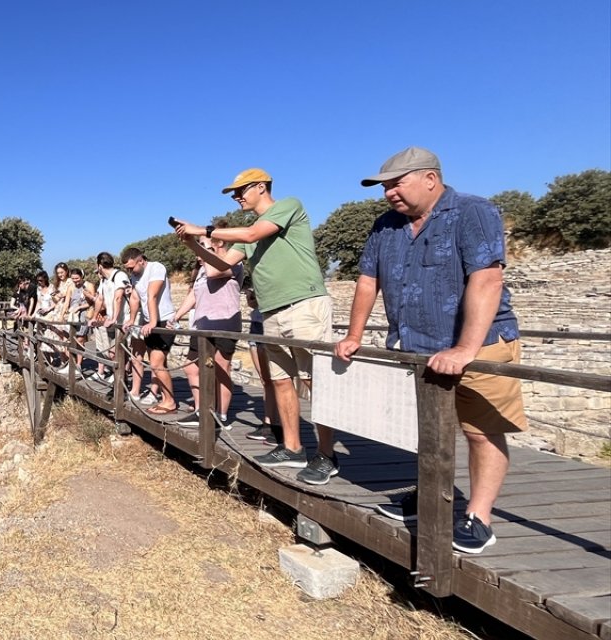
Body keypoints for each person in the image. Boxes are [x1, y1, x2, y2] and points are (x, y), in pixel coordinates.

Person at [336, 147, 527, 554]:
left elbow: (487, 279)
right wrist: (354, 335)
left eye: (395, 183)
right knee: (425, 432)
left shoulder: (472, 211)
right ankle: (429, 496)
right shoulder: (385, 226)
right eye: (384, 186)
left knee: (481, 432)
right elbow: (368, 281)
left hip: (481, 347)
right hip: (417, 350)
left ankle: (478, 517)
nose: (388, 193)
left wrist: (464, 348)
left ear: (430, 178)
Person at [173, 168, 336, 484]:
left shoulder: (288, 206)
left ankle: (327, 454)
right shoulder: (247, 231)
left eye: (240, 191)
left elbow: (251, 235)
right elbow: (221, 265)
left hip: (304, 304)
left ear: (261, 187)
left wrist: (204, 229)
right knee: (281, 380)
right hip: (271, 310)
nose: (236, 197)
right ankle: (292, 447)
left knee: (315, 380)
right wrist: (192, 243)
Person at [171, 224, 243, 427]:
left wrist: (200, 247)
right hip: (202, 324)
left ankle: (221, 415)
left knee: (221, 369)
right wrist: (177, 315)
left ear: (219, 243)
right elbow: (195, 293)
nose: (198, 253)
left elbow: (214, 273)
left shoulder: (231, 262)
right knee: (192, 368)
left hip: (225, 322)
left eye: (203, 245)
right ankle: (200, 409)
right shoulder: (203, 267)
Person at [120, 247, 178, 415]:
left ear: (141, 260)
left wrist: (153, 321)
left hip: (163, 320)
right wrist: (131, 319)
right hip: (149, 322)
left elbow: (152, 295)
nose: (130, 271)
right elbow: (136, 298)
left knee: (156, 363)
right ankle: (164, 397)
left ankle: (170, 402)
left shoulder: (156, 268)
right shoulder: (134, 276)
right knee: (159, 363)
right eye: (127, 269)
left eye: (132, 267)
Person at [243, 288, 281, 445]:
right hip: (257, 325)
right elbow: (254, 305)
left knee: (278, 379)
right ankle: (269, 423)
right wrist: (252, 299)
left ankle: (279, 427)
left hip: (271, 325)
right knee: (265, 381)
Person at [90, 252, 132, 383]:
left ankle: (121, 379)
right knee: (113, 352)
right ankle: (119, 376)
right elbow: (100, 299)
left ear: (100, 266)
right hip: (111, 321)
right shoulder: (104, 280)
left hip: (122, 320)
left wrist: (114, 317)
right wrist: (94, 316)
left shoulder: (119, 276)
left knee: (120, 350)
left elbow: (118, 297)